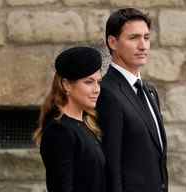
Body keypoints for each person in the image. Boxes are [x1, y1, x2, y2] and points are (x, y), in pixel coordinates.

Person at [96, 8, 168, 192]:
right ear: (113, 42)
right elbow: (111, 165)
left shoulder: (149, 91)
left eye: (146, 37)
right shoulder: (106, 92)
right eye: (134, 38)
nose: (143, 45)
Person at [34, 46, 105, 192]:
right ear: (66, 85)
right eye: (89, 82)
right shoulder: (59, 131)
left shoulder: (85, 125)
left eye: (98, 82)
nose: (97, 89)